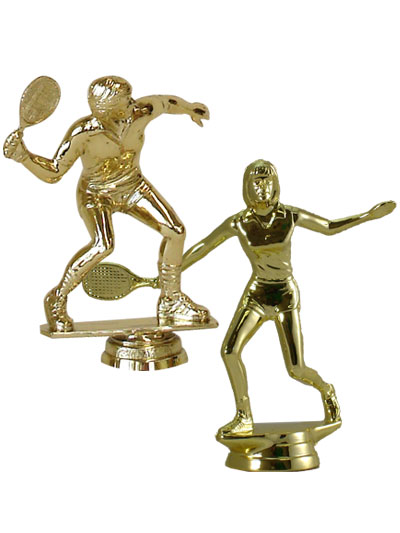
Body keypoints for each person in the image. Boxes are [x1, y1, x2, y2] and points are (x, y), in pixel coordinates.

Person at [182, 159, 396, 436]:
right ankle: (244, 416)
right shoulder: (239, 222)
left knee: (296, 369)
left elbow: (329, 226)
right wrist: (169, 272)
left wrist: (366, 216)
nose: (262, 187)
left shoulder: (290, 216)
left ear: (275, 185)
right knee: (229, 351)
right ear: (247, 187)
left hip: (284, 295)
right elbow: (203, 246)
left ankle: (326, 390)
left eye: (267, 181)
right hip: (257, 295)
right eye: (256, 182)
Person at [4, 76, 210, 332]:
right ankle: (57, 298)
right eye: (126, 101)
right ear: (107, 111)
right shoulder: (83, 134)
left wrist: (189, 108)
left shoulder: (141, 112)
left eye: (130, 97)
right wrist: (23, 157)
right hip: (95, 194)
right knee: (103, 245)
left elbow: (167, 103)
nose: (133, 103)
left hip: (133, 186)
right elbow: (54, 172)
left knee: (176, 231)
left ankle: (171, 300)